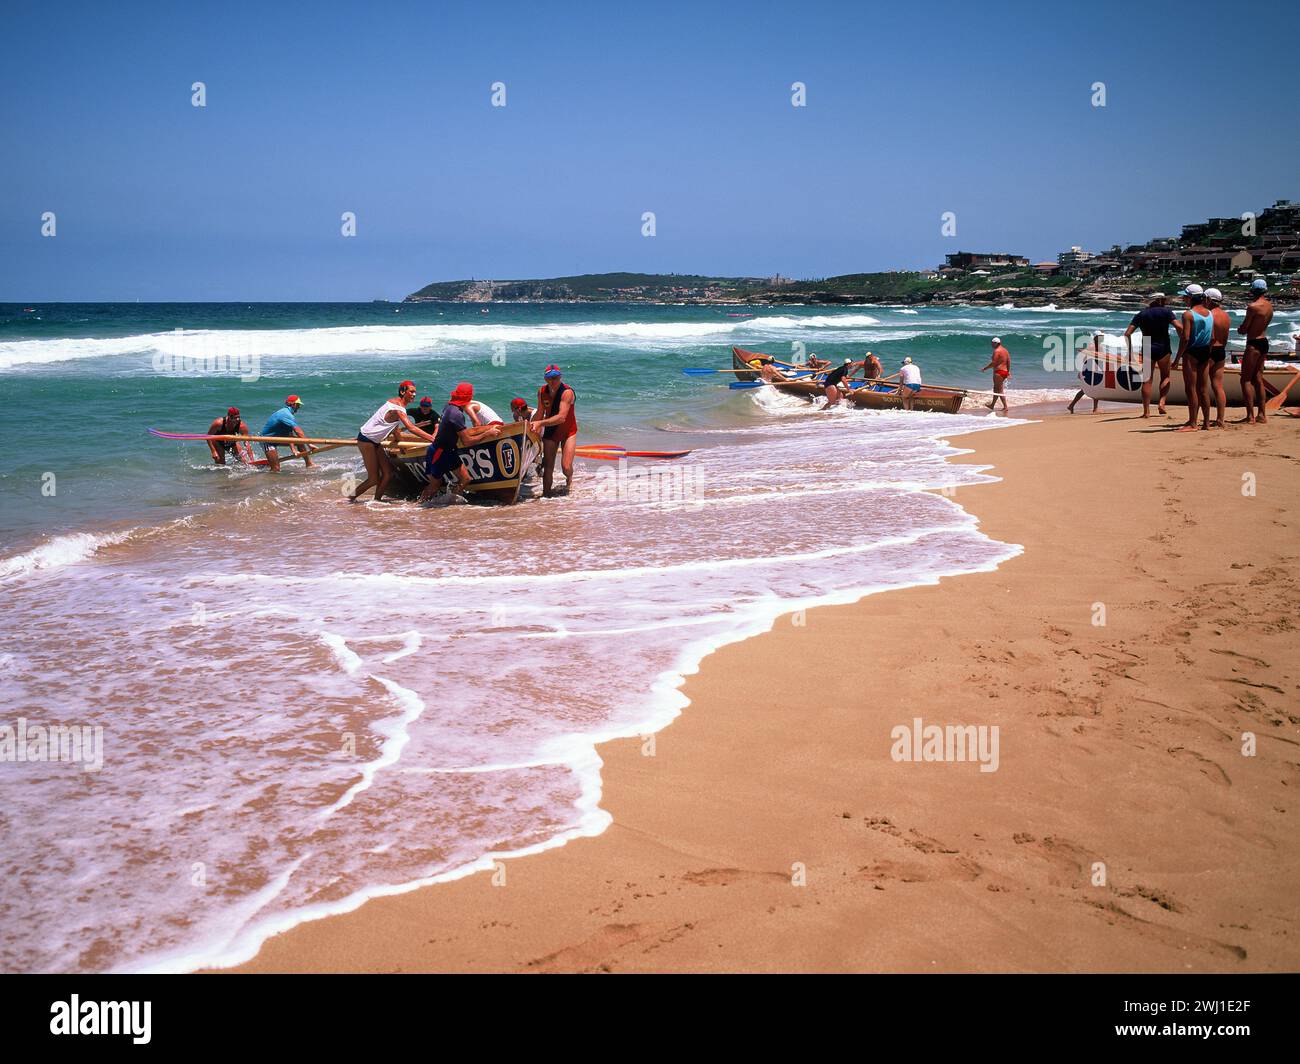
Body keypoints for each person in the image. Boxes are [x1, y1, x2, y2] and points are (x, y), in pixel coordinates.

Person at [350, 380, 439, 503]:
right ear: (403, 391)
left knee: (388, 473)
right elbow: (411, 428)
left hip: (375, 442)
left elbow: (395, 429)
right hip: (366, 440)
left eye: (415, 392)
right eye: (411, 392)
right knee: (373, 479)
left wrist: (400, 445)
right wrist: (434, 439)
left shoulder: (397, 404)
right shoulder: (397, 408)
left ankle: (376, 501)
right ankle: (350, 498)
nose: (414, 395)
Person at [417, 383, 502, 504]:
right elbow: (466, 442)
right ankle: (418, 506)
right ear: (468, 399)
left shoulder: (449, 406)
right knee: (435, 484)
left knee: (466, 479)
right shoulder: (456, 415)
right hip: (439, 452)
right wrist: (487, 434)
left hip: (449, 451)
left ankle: (451, 502)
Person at [1124, 292, 1178, 418]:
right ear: (1159, 300)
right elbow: (1178, 326)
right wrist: (1183, 337)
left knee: (1147, 380)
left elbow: (1127, 333)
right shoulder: (1167, 312)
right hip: (1163, 345)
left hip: (1148, 345)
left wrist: (1130, 350)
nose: (1165, 302)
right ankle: (1162, 402)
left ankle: (1146, 411)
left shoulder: (1141, 314)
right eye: (1163, 300)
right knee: (1165, 376)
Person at [532, 363, 578, 497]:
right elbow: (540, 413)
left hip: (568, 431)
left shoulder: (567, 392)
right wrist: (530, 425)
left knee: (566, 467)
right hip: (551, 432)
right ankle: (546, 496)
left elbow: (561, 418)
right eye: (550, 378)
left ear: (560, 377)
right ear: (545, 379)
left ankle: (569, 480)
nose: (553, 381)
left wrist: (540, 423)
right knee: (548, 468)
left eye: (556, 377)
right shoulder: (542, 391)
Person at [1172, 284, 1213, 432]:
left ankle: (1193, 423)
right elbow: (1212, 336)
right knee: (1203, 389)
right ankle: (1206, 423)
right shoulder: (1209, 313)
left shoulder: (1188, 314)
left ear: (1190, 298)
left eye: (1185, 296)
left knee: (1191, 389)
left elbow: (1186, 338)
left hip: (1192, 352)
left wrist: (1177, 358)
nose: (1183, 298)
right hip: (1205, 352)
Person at [1237, 278, 1274, 424]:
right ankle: (1262, 414)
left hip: (1253, 342)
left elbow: (1245, 327)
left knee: (1245, 379)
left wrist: (1241, 329)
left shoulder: (1253, 307)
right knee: (1258, 379)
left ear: (1253, 290)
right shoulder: (1269, 306)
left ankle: (1250, 416)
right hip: (1264, 341)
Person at [259, 395, 314, 471]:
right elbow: (298, 431)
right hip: (267, 441)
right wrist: (309, 444)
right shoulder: (285, 414)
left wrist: (293, 450)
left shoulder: (288, 414)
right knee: (276, 469)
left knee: (299, 441)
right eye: (298, 405)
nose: (299, 407)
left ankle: (309, 464)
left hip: (277, 439)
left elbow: (289, 434)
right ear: (293, 404)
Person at [1204, 288, 1231, 428]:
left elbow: (1211, 336)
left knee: (1201, 386)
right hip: (1221, 350)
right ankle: (1220, 419)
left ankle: (1204, 419)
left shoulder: (1209, 314)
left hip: (1210, 350)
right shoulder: (1226, 316)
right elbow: (1225, 337)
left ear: (1208, 299)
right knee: (1218, 386)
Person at [1067, 333, 1103, 414]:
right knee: (1086, 389)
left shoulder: (1099, 347)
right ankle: (1094, 409)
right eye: (1099, 337)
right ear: (1095, 338)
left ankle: (1072, 406)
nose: (1101, 339)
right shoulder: (1091, 346)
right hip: (1088, 370)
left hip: (1095, 370)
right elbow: (1083, 359)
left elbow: (1100, 360)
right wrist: (1081, 371)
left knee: (1091, 389)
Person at [982, 337, 1011, 413]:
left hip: (998, 372)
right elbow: (1008, 362)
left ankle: (1005, 407)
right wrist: (1008, 372)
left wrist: (985, 368)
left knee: (999, 390)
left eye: (992, 343)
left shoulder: (996, 351)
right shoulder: (1005, 350)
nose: (991, 344)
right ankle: (992, 405)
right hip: (1004, 372)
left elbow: (994, 363)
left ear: (996, 343)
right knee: (996, 389)